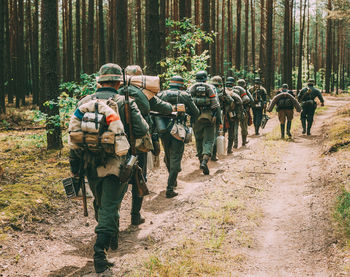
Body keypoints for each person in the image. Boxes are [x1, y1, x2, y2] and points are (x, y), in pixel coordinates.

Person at [69, 63, 149, 273]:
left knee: (101, 202)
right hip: (117, 165)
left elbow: (73, 135)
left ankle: (109, 234)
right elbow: (142, 129)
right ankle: (100, 251)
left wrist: (75, 168)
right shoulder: (125, 101)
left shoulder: (84, 102)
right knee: (110, 207)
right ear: (118, 82)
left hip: (89, 163)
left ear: (99, 81)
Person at [119, 65, 173, 225]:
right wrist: (172, 107)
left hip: (116, 140)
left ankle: (112, 215)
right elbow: (164, 107)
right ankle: (135, 215)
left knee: (117, 176)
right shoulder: (145, 92)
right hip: (138, 141)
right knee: (138, 175)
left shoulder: (116, 91)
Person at [157, 75, 199, 197]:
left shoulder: (161, 94)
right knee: (175, 157)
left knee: (168, 156)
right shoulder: (184, 95)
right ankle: (170, 188)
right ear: (181, 85)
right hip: (178, 130)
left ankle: (173, 178)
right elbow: (195, 112)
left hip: (163, 129)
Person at [188, 70, 221, 175]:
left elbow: (187, 103)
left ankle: (200, 160)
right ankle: (205, 160)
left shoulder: (191, 88)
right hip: (209, 118)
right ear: (205, 78)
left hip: (195, 118)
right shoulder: (210, 88)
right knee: (209, 140)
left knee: (198, 139)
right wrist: (217, 119)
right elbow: (216, 105)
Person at [225, 77, 244, 151]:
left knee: (221, 132)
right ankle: (230, 148)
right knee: (232, 131)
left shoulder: (221, 92)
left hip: (223, 115)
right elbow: (240, 103)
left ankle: (220, 149)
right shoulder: (236, 91)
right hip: (233, 115)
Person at [210, 76, 226, 161]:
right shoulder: (221, 92)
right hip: (217, 115)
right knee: (216, 135)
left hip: (207, 115)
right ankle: (213, 155)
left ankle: (206, 154)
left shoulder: (208, 90)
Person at [235, 79, 253, 146]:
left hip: (234, 111)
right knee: (244, 126)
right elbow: (251, 100)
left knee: (235, 127)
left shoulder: (233, 90)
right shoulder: (245, 91)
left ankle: (235, 143)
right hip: (243, 111)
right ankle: (244, 141)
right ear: (244, 84)